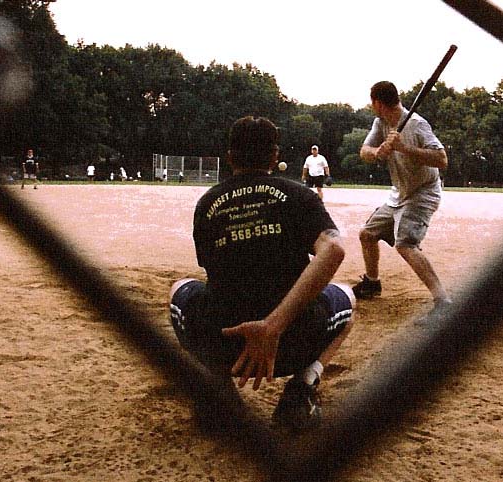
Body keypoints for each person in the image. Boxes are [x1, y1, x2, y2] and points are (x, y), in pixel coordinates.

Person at [169, 116, 354, 430]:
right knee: (346, 296)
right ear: (274, 156)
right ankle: (302, 387)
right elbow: (333, 249)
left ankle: (220, 390)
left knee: (180, 289)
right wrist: (272, 326)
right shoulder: (299, 195)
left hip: (225, 344)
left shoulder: (208, 203)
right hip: (292, 343)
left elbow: (210, 266)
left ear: (230, 157)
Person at [353, 80, 451, 310]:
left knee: (405, 244)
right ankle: (372, 283)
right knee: (367, 234)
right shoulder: (380, 123)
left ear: (378, 103)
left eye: (372, 103)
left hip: (423, 193)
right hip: (399, 194)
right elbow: (364, 151)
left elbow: (441, 159)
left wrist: (403, 148)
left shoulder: (417, 124)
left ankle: (443, 300)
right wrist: (377, 151)